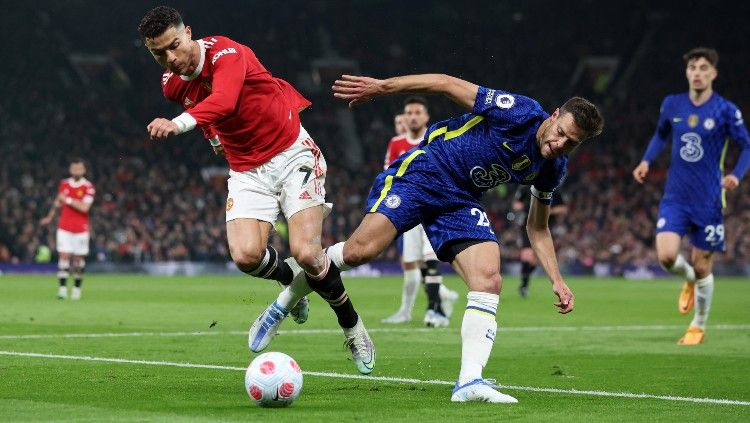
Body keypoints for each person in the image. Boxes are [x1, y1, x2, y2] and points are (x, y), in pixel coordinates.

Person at [330, 73, 603, 403]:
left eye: (571, 143)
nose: (560, 145)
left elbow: (538, 227)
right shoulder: (519, 112)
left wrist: (557, 279)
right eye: (561, 133)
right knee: (359, 253)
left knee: (489, 280)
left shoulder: (553, 168)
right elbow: (445, 84)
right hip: (429, 170)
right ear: (554, 114)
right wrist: (383, 87)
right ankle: (293, 287)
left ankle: (470, 381)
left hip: (461, 199)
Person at [137, 6, 374, 374]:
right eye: (158, 53)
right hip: (246, 169)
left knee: (308, 253)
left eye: (174, 46)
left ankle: (352, 326)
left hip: (291, 153)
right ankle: (291, 285)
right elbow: (204, 110)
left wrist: (179, 124)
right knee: (246, 255)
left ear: (189, 33)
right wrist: (213, 138)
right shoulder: (171, 82)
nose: (170, 58)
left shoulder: (229, 53)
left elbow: (224, 100)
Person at [632, 47, 750, 345]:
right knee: (667, 256)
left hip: (709, 199)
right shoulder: (672, 104)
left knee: (702, 266)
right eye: (693, 68)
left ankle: (698, 325)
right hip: (676, 197)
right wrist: (646, 160)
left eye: (703, 68)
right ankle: (687, 279)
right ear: (687, 72)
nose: (697, 73)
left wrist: (736, 174)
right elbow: (660, 134)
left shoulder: (725, 110)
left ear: (713, 73)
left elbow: (747, 146)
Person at [381, 97, 458, 326]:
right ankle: (438, 304)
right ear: (405, 117)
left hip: (433, 208)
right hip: (409, 211)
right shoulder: (396, 144)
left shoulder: (435, 139)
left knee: (430, 259)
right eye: (409, 112)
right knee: (417, 262)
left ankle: (435, 311)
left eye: (417, 112)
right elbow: (389, 175)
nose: (413, 116)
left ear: (426, 116)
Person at [40, 158, 95, 300]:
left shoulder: (88, 187)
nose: (76, 171)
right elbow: (58, 201)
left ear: (84, 170)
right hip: (64, 227)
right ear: (70, 170)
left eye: (79, 169)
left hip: (81, 229)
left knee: (78, 260)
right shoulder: (64, 184)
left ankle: (76, 289)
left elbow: (85, 208)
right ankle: (63, 289)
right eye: (74, 168)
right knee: (63, 256)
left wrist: (68, 200)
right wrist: (50, 216)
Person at [512, 186, 567, 298]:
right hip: (527, 224)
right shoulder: (525, 187)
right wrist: (521, 207)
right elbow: (517, 204)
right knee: (527, 255)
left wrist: (546, 210)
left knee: (535, 259)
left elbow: (563, 208)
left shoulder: (552, 187)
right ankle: (524, 286)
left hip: (545, 227)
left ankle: (524, 281)